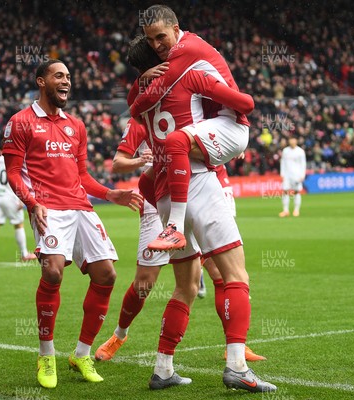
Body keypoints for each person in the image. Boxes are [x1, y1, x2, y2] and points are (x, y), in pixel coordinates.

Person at [130, 8, 276, 393]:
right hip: (197, 183)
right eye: (155, 43)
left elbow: (134, 104)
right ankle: (237, 367)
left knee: (184, 287)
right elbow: (244, 103)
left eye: (162, 39)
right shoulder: (188, 73)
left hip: (165, 192)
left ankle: (162, 368)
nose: (162, 48)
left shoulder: (142, 102)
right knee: (235, 277)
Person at [2, 59, 142, 389]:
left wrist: (111, 194)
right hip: (47, 207)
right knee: (52, 270)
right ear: (42, 81)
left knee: (106, 274)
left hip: (80, 207)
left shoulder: (76, 125)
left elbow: (82, 176)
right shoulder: (20, 122)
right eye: (59, 76)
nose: (67, 81)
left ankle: (81, 353)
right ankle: (46, 355)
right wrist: (31, 202)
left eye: (69, 76)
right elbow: (12, 172)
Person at [94, 117, 265, 363]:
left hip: (200, 187)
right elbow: (118, 164)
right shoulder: (143, 114)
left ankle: (235, 345)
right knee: (145, 283)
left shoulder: (198, 105)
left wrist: (230, 144)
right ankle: (119, 335)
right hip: (159, 197)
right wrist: (142, 160)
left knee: (219, 272)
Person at [128, 13, 254, 252]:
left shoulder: (185, 50)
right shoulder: (182, 56)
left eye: (160, 37)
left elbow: (143, 101)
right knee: (146, 182)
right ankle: (192, 242)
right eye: (150, 40)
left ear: (176, 29)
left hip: (228, 124)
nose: (156, 45)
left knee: (176, 141)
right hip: (212, 127)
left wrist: (137, 91)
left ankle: (175, 227)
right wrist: (140, 85)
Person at [0, 155, 36, 265]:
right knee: (19, 225)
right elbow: (18, 178)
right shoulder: (14, 158)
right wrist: (21, 199)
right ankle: (24, 254)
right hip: (10, 197)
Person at [279, 136, 307, 217]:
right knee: (285, 191)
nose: (292, 141)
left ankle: (296, 210)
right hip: (287, 175)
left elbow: (303, 164)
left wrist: (302, 175)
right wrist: (282, 173)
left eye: (293, 139)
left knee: (296, 192)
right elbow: (283, 162)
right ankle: (285, 210)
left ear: (296, 140)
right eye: (290, 139)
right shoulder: (285, 150)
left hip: (296, 175)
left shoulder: (300, 151)